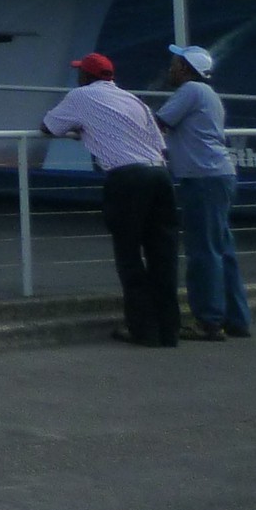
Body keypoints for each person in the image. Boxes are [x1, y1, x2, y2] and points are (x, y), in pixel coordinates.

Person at [42, 53, 178, 347]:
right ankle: (169, 330)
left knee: (129, 256)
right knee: (162, 255)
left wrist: (81, 128)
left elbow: (49, 126)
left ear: (86, 76)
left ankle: (143, 330)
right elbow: (158, 143)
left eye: (80, 72)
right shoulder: (133, 99)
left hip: (127, 178)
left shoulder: (80, 95)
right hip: (159, 174)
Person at [156, 45, 251, 341]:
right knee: (222, 249)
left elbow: (158, 122)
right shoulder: (208, 93)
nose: (170, 69)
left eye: (174, 64)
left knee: (203, 252)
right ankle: (237, 318)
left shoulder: (190, 91)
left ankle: (208, 321)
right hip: (219, 175)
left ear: (185, 69)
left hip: (202, 179)